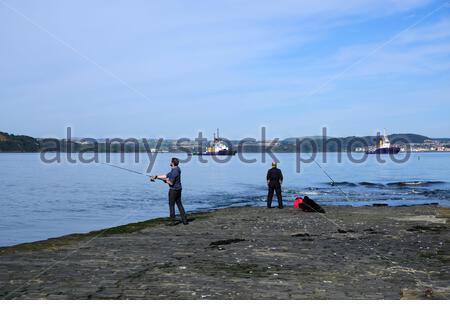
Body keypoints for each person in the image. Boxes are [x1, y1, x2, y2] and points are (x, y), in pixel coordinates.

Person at [151, 158, 188, 226]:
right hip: (179, 189)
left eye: (171, 162)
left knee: (171, 205)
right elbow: (166, 176)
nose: (170, 163)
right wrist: (156, 177)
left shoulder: (174, 171)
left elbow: (170, 183)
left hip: (173, 190)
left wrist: (165, 181)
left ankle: (172, 222)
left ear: (173, 163)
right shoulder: (176, 169)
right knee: (179, 204)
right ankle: (185, 221)